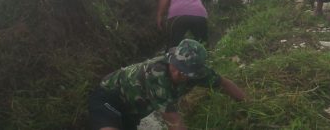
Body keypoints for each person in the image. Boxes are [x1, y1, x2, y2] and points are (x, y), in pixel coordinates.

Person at [88, 39, 246, 130]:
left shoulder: (199, 73)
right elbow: (174, 122)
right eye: (176, 67)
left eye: (184, 72)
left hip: (133, 110)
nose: (177, 73)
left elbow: (224, 83)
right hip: (109, 97)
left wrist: (247, 104)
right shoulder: (156, 74)